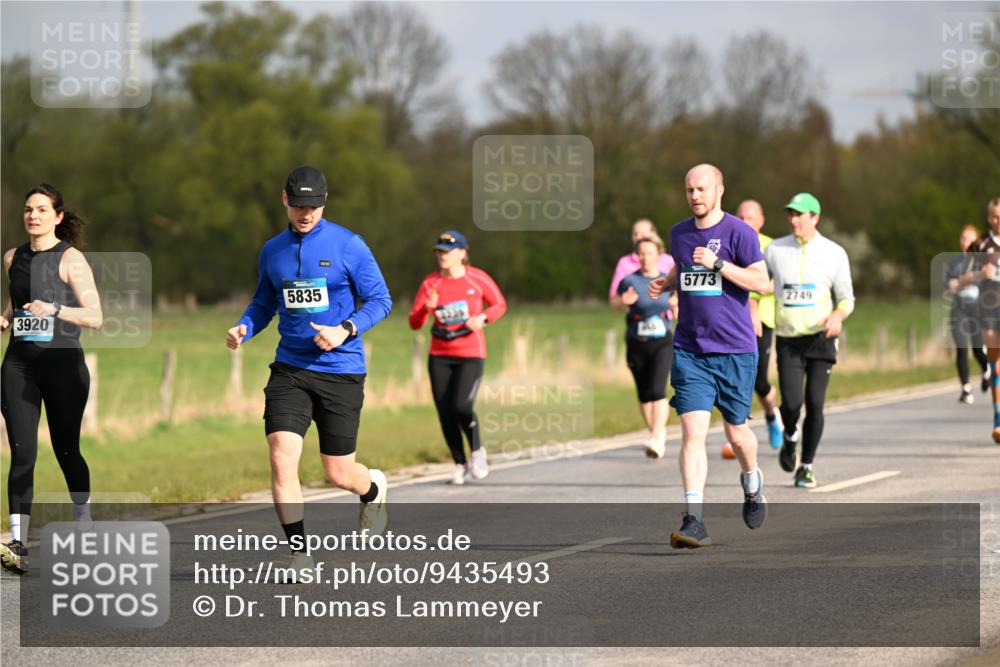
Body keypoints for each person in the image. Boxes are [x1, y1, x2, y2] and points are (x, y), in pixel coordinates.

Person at [226, 166, 392, 574]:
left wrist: (345, 329)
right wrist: (245, 327)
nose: (306, 214)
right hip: (291, 368)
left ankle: (372, 490)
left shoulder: (348, 245)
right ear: (284, 199)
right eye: (300, 205)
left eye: (314, 206)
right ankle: (300, 555)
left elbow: (380, 300)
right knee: (282, 456)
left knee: (338, 473)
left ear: (325, 201)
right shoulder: (273, 250)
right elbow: (264, 303)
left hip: (341, 369)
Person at [648, 164, 770, 548]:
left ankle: (752, 483)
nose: (695, 195)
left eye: (702, 188)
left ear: (719, 189)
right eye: (689, 190)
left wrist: (718, 264)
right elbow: (684, 266)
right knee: (691, 431)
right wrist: (666, 282)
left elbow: (762, 283)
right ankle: (694, 520)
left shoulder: (739, 232)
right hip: (690, 349)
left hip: (734, 349)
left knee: (737, 433)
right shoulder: (678, 233)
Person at [1, 184, 103, 575]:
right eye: (28, 209)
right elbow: (18, 298)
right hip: (19, 365)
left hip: (62, 366)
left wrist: (56, 309)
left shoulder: (71, 260)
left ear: (58, 217)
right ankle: (18, 544)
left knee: (66, 450)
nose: (33, 216)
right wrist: (7, 318)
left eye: (42, 210)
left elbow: (94, 316)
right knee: (22, 452)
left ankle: (83, 522)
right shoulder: (13, 257)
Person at [767, 193, 855, 488]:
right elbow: (759, 284)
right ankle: (790, 437)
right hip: (789, 339)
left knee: (815, 403)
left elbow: (846, 298)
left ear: (814, 218)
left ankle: (806, 466)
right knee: (791, 404)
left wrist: (838, 317)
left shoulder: (834, 253)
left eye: (800, 215)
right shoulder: (775, 250)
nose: (794, 220)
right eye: (790, 214)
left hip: (821, 338)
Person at [408, 231, 507, 485]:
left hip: (470, 354)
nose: (442, 256)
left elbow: (499, 304)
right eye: (439, 252)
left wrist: (483, 318)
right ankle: (459, 464)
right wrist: (426, 309)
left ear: (462, 253)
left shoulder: (477, 278)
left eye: (447, 251)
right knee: (445, 412)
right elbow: (414, 323)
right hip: (439, 355)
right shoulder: (431, 283)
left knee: (461, 406)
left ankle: (477, 451)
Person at [614, 233, 675, 459]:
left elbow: (678, 301)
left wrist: (676, 304)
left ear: (658, 255)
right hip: (636, 341)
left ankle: (658, 436)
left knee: (658, 389)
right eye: (641, 253)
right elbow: (614, 302)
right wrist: (622, 302)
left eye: (649, 253)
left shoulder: (667, 280)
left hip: (662, 341)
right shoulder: (629, 280)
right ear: (637, 256)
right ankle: (654, 432)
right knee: (644, 393)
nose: (645, 257)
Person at [960, 197, 1000, 443]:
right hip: (990, 312)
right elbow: (961, 278)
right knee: (996, 365)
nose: (998, 221)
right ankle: (998, 420)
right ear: (988, 218)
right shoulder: (980, 245)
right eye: (994, 217)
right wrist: (979, 274)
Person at [945, 224, 988, 404]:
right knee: (961, 348)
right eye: (963, 238)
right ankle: (966, 389)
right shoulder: (954, 262)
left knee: (978, 348)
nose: (965, 242)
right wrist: (962, 281)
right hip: (959, 307)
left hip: (977, 308)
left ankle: (988, 370)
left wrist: (966, 280)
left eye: (969, 238)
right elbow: (950, 285)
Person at [609, 218, 676, 300]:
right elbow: (614, 295)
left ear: (653, 233)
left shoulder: (669, 261)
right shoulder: (625, 262)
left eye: (642, 234)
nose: (638, 237)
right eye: (635, 234)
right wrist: (624, 300)